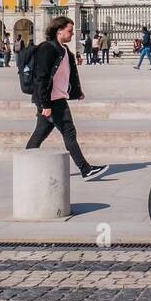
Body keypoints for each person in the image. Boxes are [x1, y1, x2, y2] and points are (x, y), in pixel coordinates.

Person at [27, 16, 106, 180]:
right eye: (69, 31)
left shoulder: (64, 50)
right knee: (69, 133)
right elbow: (41, 78)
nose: (71, 34)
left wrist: (78, 92)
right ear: (59, 31)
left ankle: (25, 165)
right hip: (52, 101)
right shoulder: (47, 48)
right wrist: (45, 104)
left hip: (56, 98)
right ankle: (86, 169)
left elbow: (69, 75)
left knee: (40, 134)